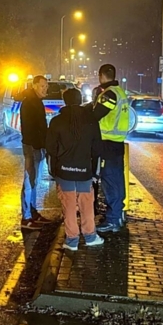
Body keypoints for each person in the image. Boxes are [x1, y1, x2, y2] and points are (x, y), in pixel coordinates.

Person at [47, 87, 104, 250]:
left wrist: (57, 164)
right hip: (84, 170)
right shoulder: (91, 122)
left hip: (64, 171)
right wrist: (92, 167)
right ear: (80, 101)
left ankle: (72, 240)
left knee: (68, 205)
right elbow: (97, 148)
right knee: (86, 203)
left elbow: (50, 148)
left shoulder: (56, 121)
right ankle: (90, 236)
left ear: (65, 101)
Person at [89, 63, 134, 234]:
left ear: (101, 76)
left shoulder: (109, 95)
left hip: (107, 144)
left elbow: (95, 115)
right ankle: (118, 215)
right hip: (117, 143)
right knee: (117, 180)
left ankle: (113, 220)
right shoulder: (120, 92)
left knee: (110, 181)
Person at [19, 75, 53, 230]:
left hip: (37, 146)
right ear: (34, 86)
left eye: (46, 86)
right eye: (42, 86)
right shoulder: (30, 103)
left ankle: (33, 212)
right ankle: (26, 217)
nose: (45, 89)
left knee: (34, 181)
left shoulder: (36, 101)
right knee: (29, 180)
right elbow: (31, 128)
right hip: (32, 147)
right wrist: (38, 145)